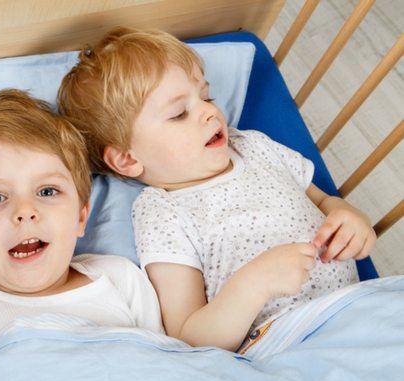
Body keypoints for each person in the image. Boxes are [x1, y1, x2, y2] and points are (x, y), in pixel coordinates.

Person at [57, 27, 376, 353]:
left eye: (206, 96)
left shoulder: (252, 145)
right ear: (127, 158)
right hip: (286, 342)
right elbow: (190, 336)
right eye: (180, 114)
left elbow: (321, 199)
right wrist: (255, 284)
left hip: (359, 308)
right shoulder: (163, 211)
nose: (210, 111)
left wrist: (347, 214)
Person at [0, 89, 163, 369]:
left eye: (48, 191)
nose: (25, 211)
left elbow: (171, 374)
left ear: (80, 216)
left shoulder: (121, 279)